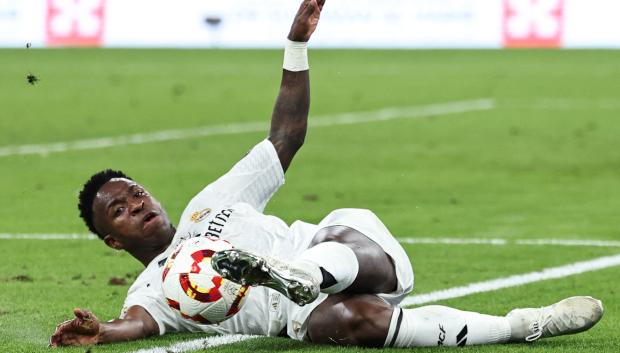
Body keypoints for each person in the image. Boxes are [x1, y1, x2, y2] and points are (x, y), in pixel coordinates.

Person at [50, 0, 603, 348]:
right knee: (351, 324)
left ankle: (302, 271)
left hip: (357, 251)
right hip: (314, 316)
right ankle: (526, 324)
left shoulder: (208, 204)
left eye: (137, 192)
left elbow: (285, 138)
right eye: (120, 210)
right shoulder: (152, 290)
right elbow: (138, 325)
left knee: (333, 243)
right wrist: (103, 330)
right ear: (112, 240)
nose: (138, 204)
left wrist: (296, 46)